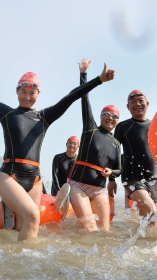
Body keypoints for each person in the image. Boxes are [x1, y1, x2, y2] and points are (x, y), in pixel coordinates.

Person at [0, 59, 114, 240]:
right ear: (16, 91)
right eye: (23, 92)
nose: (27, 97)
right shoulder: (6, 114)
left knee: (24, 226)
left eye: (32, 93)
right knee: (33, 216)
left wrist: (98, 79)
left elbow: (71, 96)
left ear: (39, 93)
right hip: (9, 176)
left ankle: (19, 262)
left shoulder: (44, 117)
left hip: (34, 181)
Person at [57, 58, 121, 232]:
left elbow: (118, 169)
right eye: (107, 114)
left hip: (99, 190)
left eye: (115, 116)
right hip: (79, 186)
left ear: (117, 121)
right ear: (100, 117)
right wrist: (83, 74)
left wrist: (111, 173)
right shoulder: (90, 129)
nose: (111, 117)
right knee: (90, 227)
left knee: (104, 232)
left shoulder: (116, 143)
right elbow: (84, 98)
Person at [108, 90, 157, 226]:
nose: (137, 104)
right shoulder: (123, 127)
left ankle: (143, 244)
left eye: (140, 101)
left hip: (153, 179)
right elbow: (112, 153)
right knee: (151, 211)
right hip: (132, 178)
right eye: (133, 102)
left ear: (147, 104)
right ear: (128, 107)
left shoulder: (156, 125)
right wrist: (112, 179)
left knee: (151, 220)